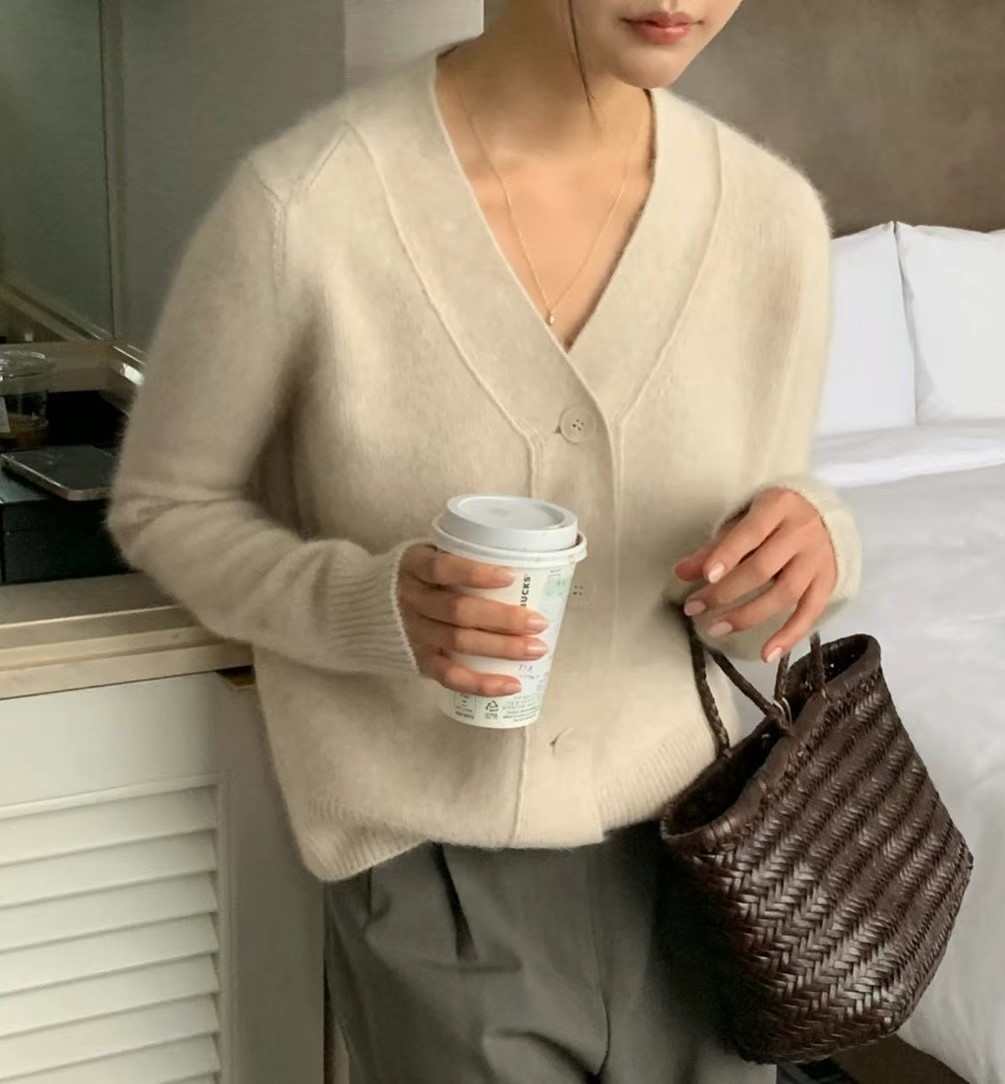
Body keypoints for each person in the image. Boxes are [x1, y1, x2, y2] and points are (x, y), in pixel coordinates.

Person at [109, 1, 862, 1080]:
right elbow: (168, 508)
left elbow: (761, 532)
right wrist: (373, 606)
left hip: (714, 870)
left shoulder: (771, 218)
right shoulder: (307, 207)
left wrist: (815, 539)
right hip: (436, 889)